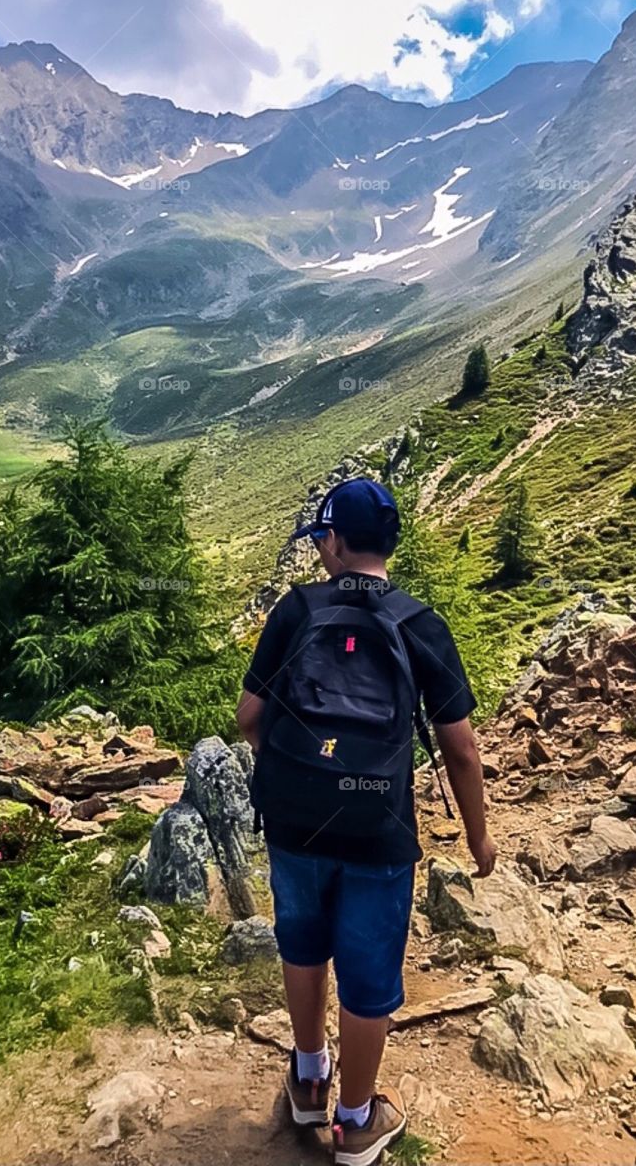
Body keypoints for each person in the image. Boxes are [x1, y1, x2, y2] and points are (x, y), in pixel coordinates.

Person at [237, 477, 496, 1166]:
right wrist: (478, 836)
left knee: (301, 942)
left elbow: (249, 720)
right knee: (368, 969)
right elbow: (461, 748)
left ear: (336, 541)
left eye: (322, 537)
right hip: (379, 830)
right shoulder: (420, 623)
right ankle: (355, 1122)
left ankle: (308, 1078)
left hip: (295, 823)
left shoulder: (296, 611)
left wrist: (301, 770)